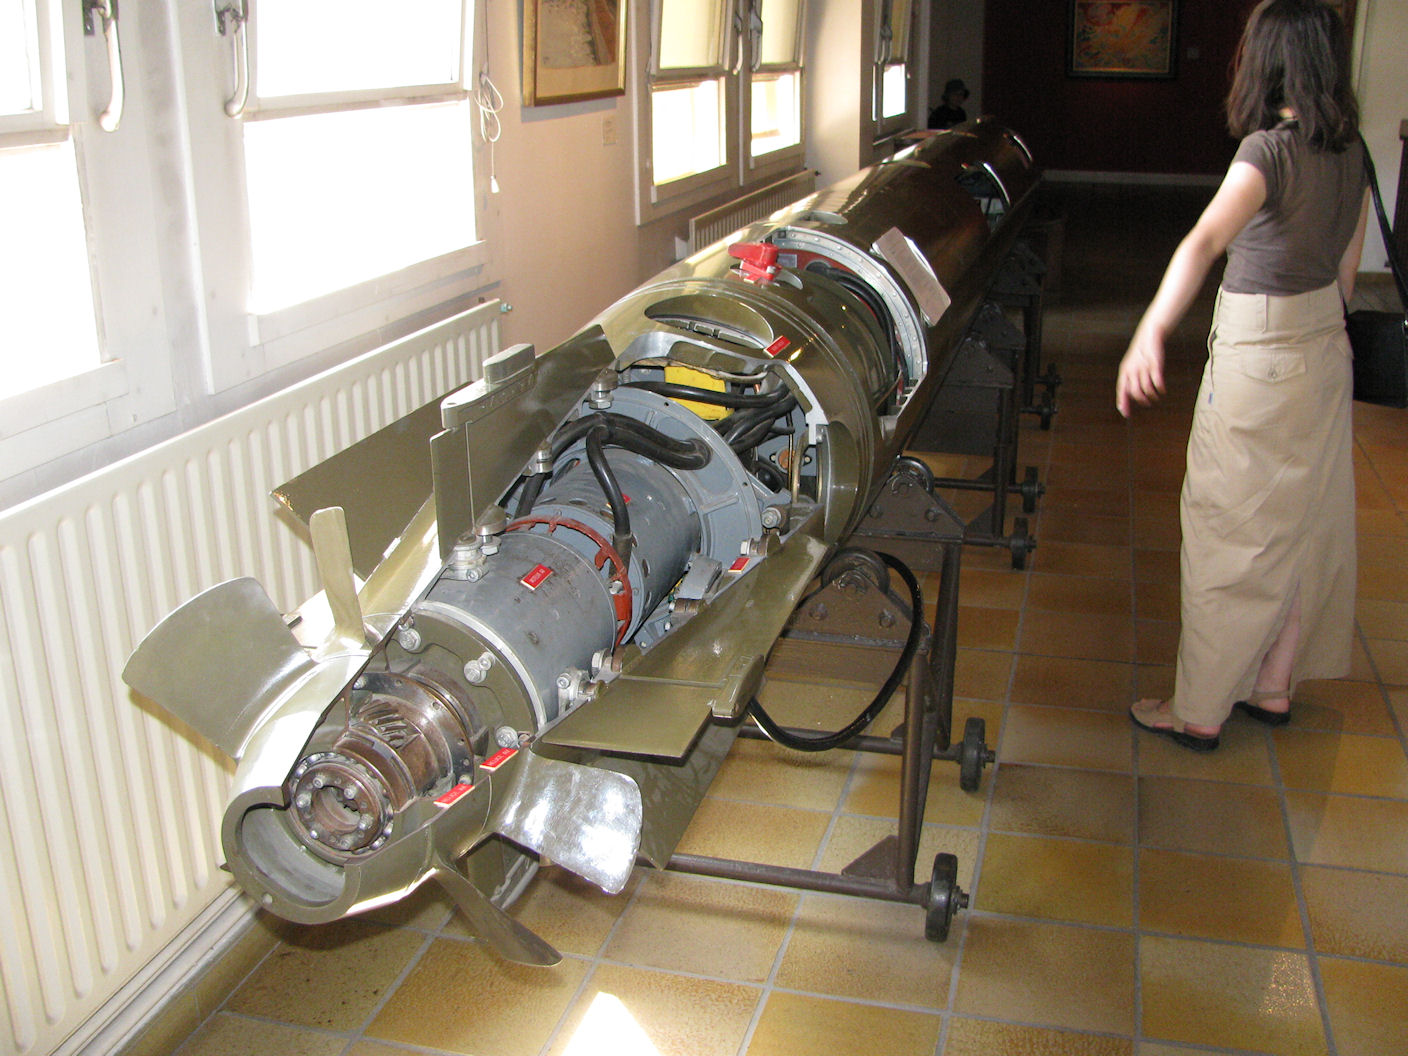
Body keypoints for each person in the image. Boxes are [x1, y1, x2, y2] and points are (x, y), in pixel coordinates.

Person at [1115, 0, 1371, 752]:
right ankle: (1272, 684)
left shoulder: (1268, 152)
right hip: (1325, 348)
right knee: (1306, 525)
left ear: (1266, 60)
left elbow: (1203, 241)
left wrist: (1151, 330)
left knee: (1231, 529)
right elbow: (1347, 276)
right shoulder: (1351, 149)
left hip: (1261, 355)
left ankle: (1198, 708)